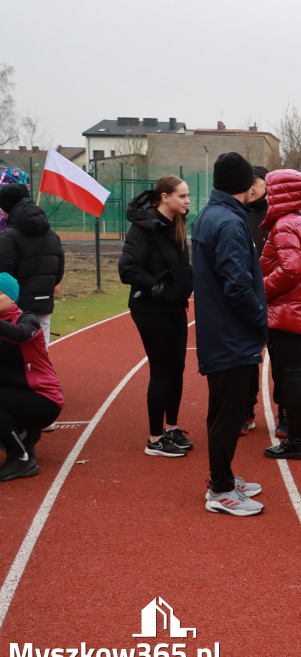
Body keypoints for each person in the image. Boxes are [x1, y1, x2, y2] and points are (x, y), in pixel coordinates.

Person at [191, 152, 265, 516]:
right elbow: (238, 285)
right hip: (230, 334)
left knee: (223, 410)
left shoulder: (213, 214)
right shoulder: (230, 223)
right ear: (246, 185)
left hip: (221, 331)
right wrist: (259, 321)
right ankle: (220, 489)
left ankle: (224, 476)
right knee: (228, 413)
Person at [118, 176, 195, 458]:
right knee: (161, 369)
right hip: (150, 308)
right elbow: (127, 269)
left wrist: (187, 283)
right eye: (183, 196)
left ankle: (171, 428)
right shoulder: (144, 228)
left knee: (177, 368)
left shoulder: (177, 223)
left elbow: (180, 266)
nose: (188, 201)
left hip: (174, 306)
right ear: (165, 197)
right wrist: (156, 288)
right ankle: (155, 438)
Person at [260, 169, 301, 461]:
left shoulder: (285, 223)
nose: (265, 193)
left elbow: (290, 269)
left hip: (288, 308)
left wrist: (259, 290)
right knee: (293, 375)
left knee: (290, 377)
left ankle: (298, 441)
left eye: (270, 189)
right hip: (300, 305)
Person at [0, 273, 62, 482]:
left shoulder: (27, 319)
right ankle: (23, 437)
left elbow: (20, 335)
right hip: (18, 397)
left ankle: (21, 457)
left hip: (44, 399)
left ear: (11, 297)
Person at [0, 183, 64, 346]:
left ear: (7, 206)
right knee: (41, 352)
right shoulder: (52, 234)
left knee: (17, 355)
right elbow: (58, 270)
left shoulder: (8, 237)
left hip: (17, 308)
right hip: (44, 302)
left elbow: (3, 274)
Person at [241, 166, 270, 435]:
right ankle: (246, 411)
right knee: (248, 358)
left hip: (272, 294)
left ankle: (284, 411)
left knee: (281, 358)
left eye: (256, 183)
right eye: (248, 182)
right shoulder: (238, 213)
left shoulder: (272, 214)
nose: (251, 188)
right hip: (246, 293)